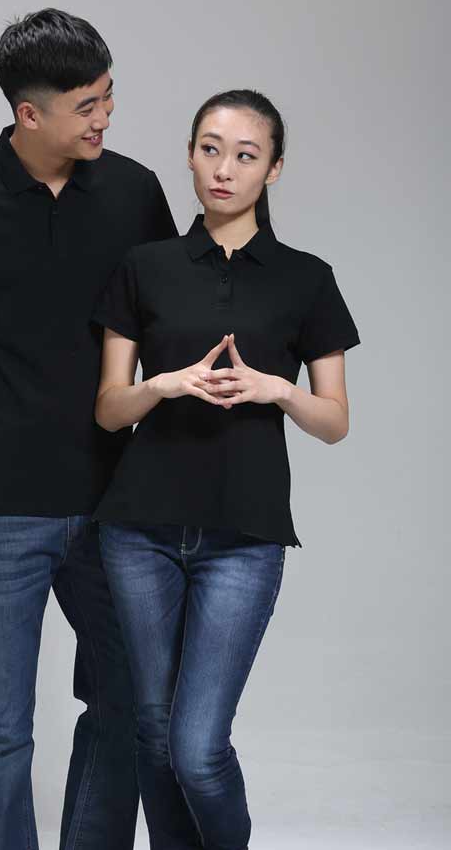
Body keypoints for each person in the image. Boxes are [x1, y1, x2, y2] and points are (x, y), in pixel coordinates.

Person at [0, 8, 177, 850]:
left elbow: (168, 311)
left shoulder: (134, 191)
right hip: (0, 508)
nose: (105, 117)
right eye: (87, 105)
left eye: (109, 96)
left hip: (117, 502)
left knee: (128, 702)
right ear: (29, 113)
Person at [90, 88, 361, 849]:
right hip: (138, 530)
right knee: (152, 735)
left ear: (274, 169)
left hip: (244, 536)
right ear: (189, 154)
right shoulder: (145, 267)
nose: (224, 169)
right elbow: (109, 409)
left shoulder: (307, 278)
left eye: (246, 155)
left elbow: (335, 422)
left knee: (197, 749)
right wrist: (163, 384)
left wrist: (279, 390)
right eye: (210, 149)